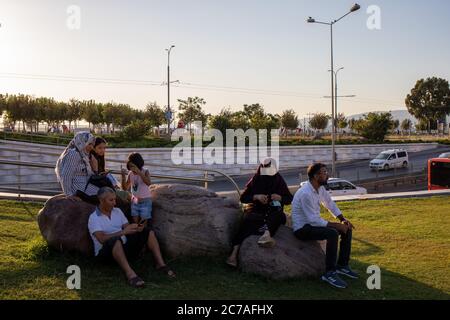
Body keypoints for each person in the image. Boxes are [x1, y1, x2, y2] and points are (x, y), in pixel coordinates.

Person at [88, 187, 175, 288]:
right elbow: (102, 239)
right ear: (101, 201)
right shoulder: (94, 218)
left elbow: (126, 228)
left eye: (114, 199)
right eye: (111, 200)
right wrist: (122, 232)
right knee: (115, 241)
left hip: (123, 247)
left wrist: (135, 228)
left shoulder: (117, 212)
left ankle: (160, 264)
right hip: (105, 254)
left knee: (148, 232)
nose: (114, 203)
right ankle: (130, 274)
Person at [291, 163, 358, 289]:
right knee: (332, 233)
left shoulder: (320, 188)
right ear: (316, 176)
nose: (327, 175)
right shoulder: (305, 193)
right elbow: (313, 220)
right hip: (302, 229)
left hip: (311, 225)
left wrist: (343, 220)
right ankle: (329, 273)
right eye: (324, 172)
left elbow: (329, 203)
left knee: (347, 229)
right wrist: (337, 226)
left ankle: (342, 266)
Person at [226, 157, 293, 268]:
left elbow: (289, 199)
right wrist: (256, 196)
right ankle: (233, 254)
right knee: (247, 223)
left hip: (273, 212)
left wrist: (280, 197)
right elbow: (243, 198)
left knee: (278, 215)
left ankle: (266, 235)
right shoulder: (256, 180)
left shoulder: (279, 180)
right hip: (257, 211)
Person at [55, 131, 99, 199]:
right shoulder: (74, 154)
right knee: (104, 195)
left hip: (84, 185)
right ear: (81, 142)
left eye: (92, 145)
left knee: (106, 191)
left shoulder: (82, 154)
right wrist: (69, 195)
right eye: (89, 144)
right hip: (78, 188)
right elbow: (66, 176)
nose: (91, 147)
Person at [121, 153, 152, 227]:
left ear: (138, 164)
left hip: (145, 201)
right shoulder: (130, 173)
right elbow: (125, 188)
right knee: (135, 224)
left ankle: (145, 237)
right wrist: (123, 176)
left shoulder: (145, 171)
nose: (132, 169)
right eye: (130, 166)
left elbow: (148, 183)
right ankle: (137, 237)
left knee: (143, 225)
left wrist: (139, 172)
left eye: (133, 166)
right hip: (134, 201)